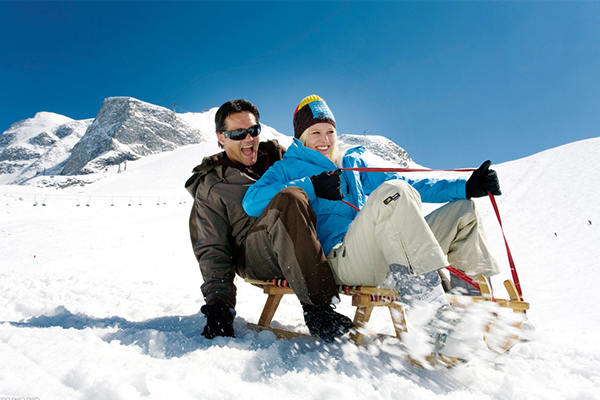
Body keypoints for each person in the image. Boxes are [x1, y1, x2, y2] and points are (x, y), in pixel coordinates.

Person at [242, 94, 502, 303]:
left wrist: (465, 187)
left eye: (330, 131)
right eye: (315, 132)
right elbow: (251, 202)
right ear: (302, 137)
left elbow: (410, 185)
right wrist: (311, 186)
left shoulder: (351, 163)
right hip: (340, 258)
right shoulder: (288, 167)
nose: (325, 140)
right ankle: (429, 310)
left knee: (463, 212)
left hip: (382, 250)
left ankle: (475, 308)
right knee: (393, 193)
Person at [185, 99, 353, 342]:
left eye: (253, 131)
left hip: (305, 245)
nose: (248, 139)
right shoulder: (212, 184)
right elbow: (212, 248)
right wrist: (219, 305)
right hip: (255, 254)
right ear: (221, 137)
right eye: (238, 133)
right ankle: (318, 309)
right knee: (288, 198)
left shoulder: (278, 158)